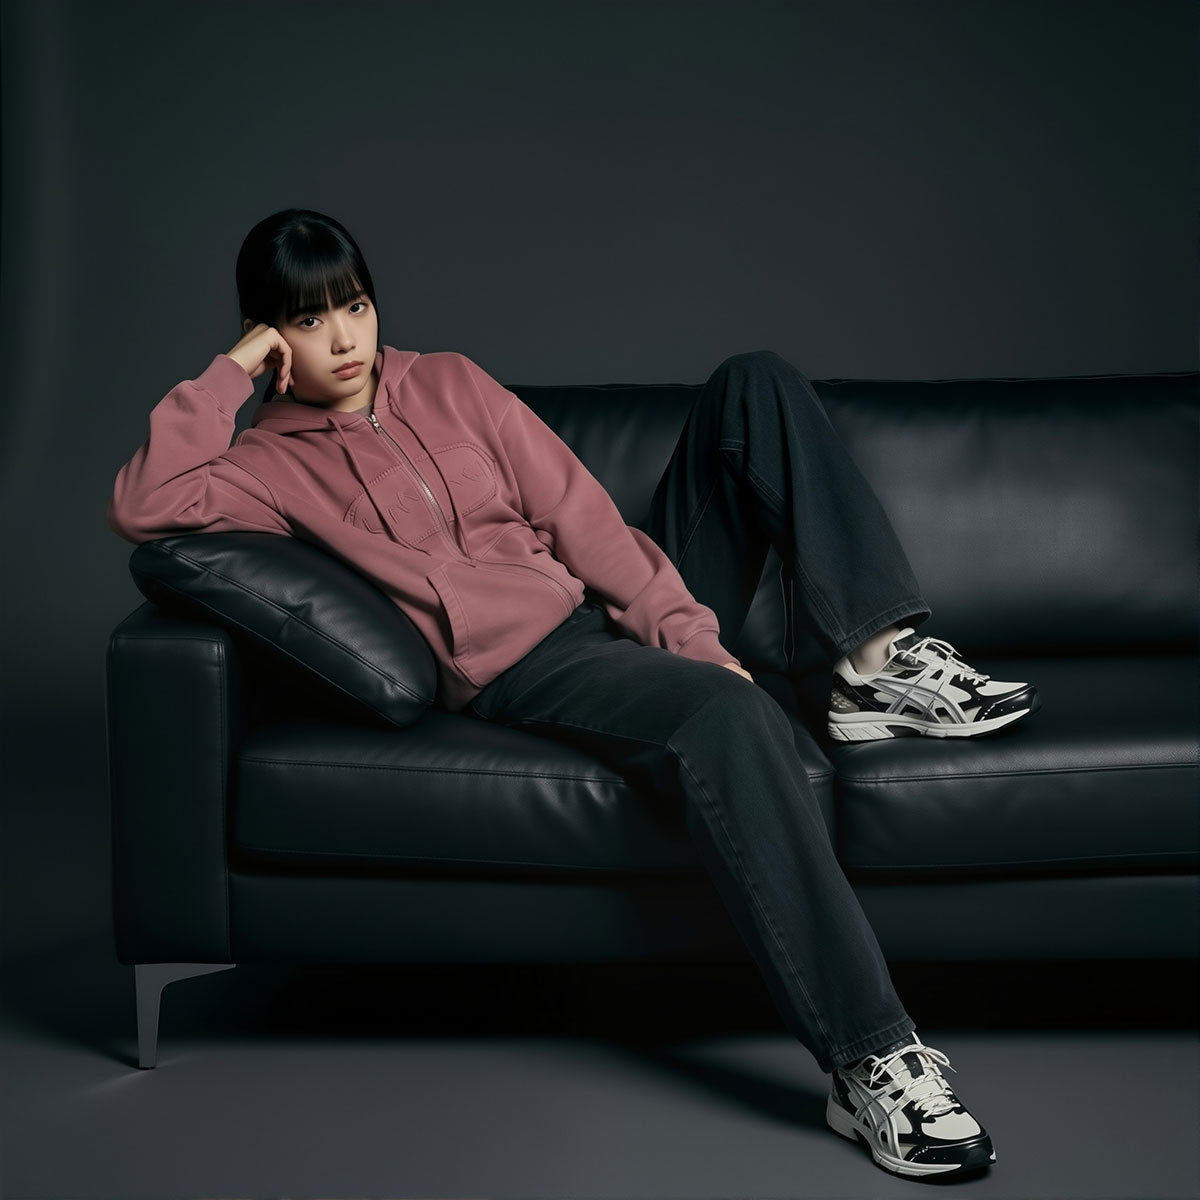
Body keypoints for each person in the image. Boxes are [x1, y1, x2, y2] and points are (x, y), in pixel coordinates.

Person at [107, 208, 1039, 1181]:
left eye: (356, 307)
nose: (344, 339)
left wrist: (689, 638)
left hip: (601, 608)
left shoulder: (450, 380)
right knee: (731, 715)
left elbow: (580, 516)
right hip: (530, 663)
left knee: (754, 382)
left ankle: (876, 660)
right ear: (268, 338)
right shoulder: (264, 466)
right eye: (307, 321)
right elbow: (145, 502)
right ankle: (871, 1063)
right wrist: (229, 375)